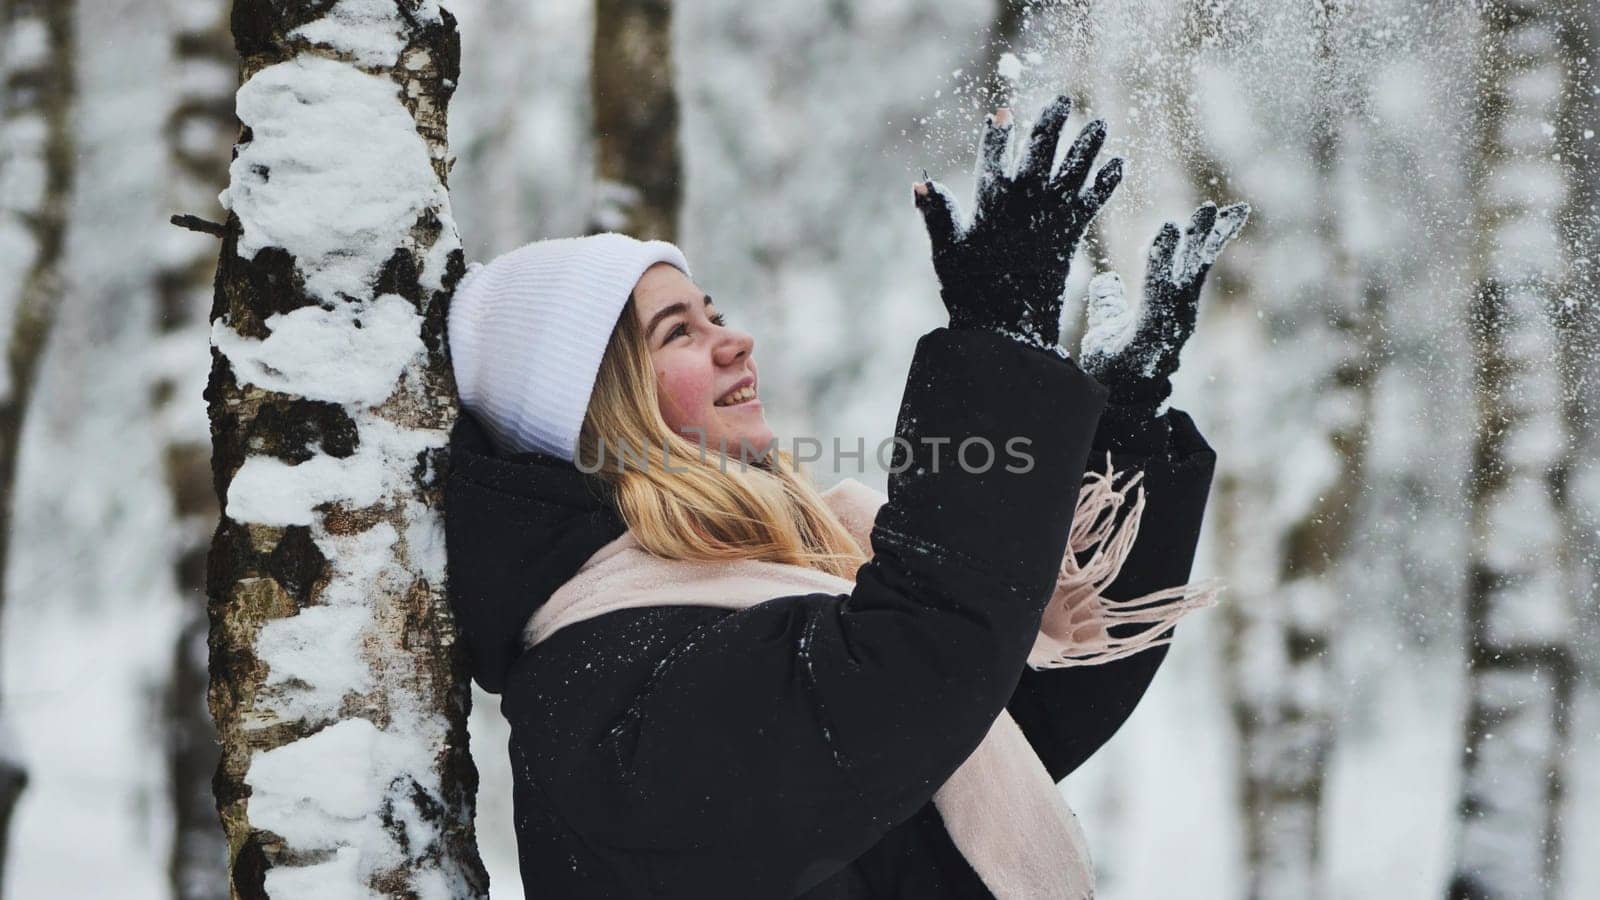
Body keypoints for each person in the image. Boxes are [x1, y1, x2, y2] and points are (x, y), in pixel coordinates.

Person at [444, 95, 1248, 899]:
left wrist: (1128, 426)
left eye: (714, 313)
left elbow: (1004, 710)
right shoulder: (596, 684)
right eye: (678, 333)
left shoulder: (782, 582)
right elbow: (923, 662)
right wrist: (998, 347)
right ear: (595, 409)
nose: (735, 339)